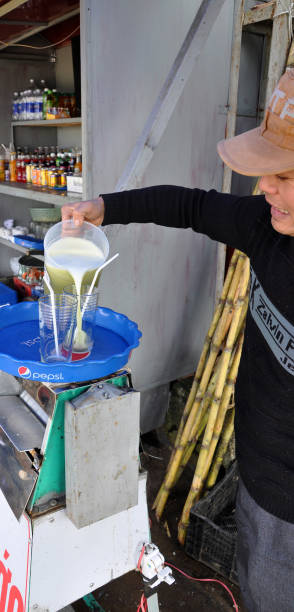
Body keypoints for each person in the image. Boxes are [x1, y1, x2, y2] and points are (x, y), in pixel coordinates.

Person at [61, 67, 294, 612]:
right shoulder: (266, 225)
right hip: (257, 478)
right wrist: (106, 208)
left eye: (282, 175)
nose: (264, 188)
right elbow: (188, 205)